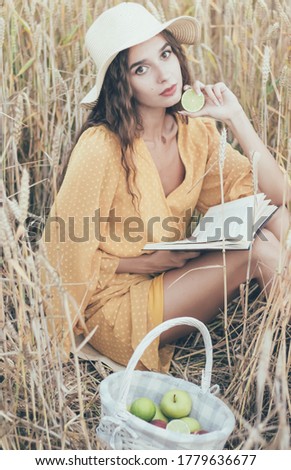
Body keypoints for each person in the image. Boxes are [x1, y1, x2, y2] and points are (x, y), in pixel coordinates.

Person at [40, 2, 290, 371]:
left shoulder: (195, 133)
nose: (164, 75)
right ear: (122, 83)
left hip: (170, 278)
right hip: (116, 300)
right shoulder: (101, 147)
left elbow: (277, 197)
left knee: (279, 222)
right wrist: (142, 262)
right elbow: (64, 251)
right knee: (260, 252)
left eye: (166, 54)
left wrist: (235, 118)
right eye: (142, 68)